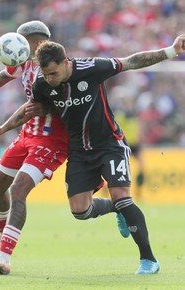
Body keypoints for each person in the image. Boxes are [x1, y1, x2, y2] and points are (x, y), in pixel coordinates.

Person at [0, 20, 129, 275]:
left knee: (20, 188)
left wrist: (3, 127)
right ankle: (2, 238)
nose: (22, 46)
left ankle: (5, 255)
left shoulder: (58, 68)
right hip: (28, 134)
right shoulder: (22, 63)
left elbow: (55, 104)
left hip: (53, 140)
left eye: (27, 41)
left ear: (39, 42)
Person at [30, 37, 185, 274]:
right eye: (45, 74)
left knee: (123, 196)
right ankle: (115, 209)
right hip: (80, 152)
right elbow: (35, 109)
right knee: (80, 211)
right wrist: (3, 128)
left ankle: (149, 260)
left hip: (110, 145)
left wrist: (171, 51)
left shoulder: (92, 68)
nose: (49, 79)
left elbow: (131, 61)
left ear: (65, 62)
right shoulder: (41, 84)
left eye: (52, 73)